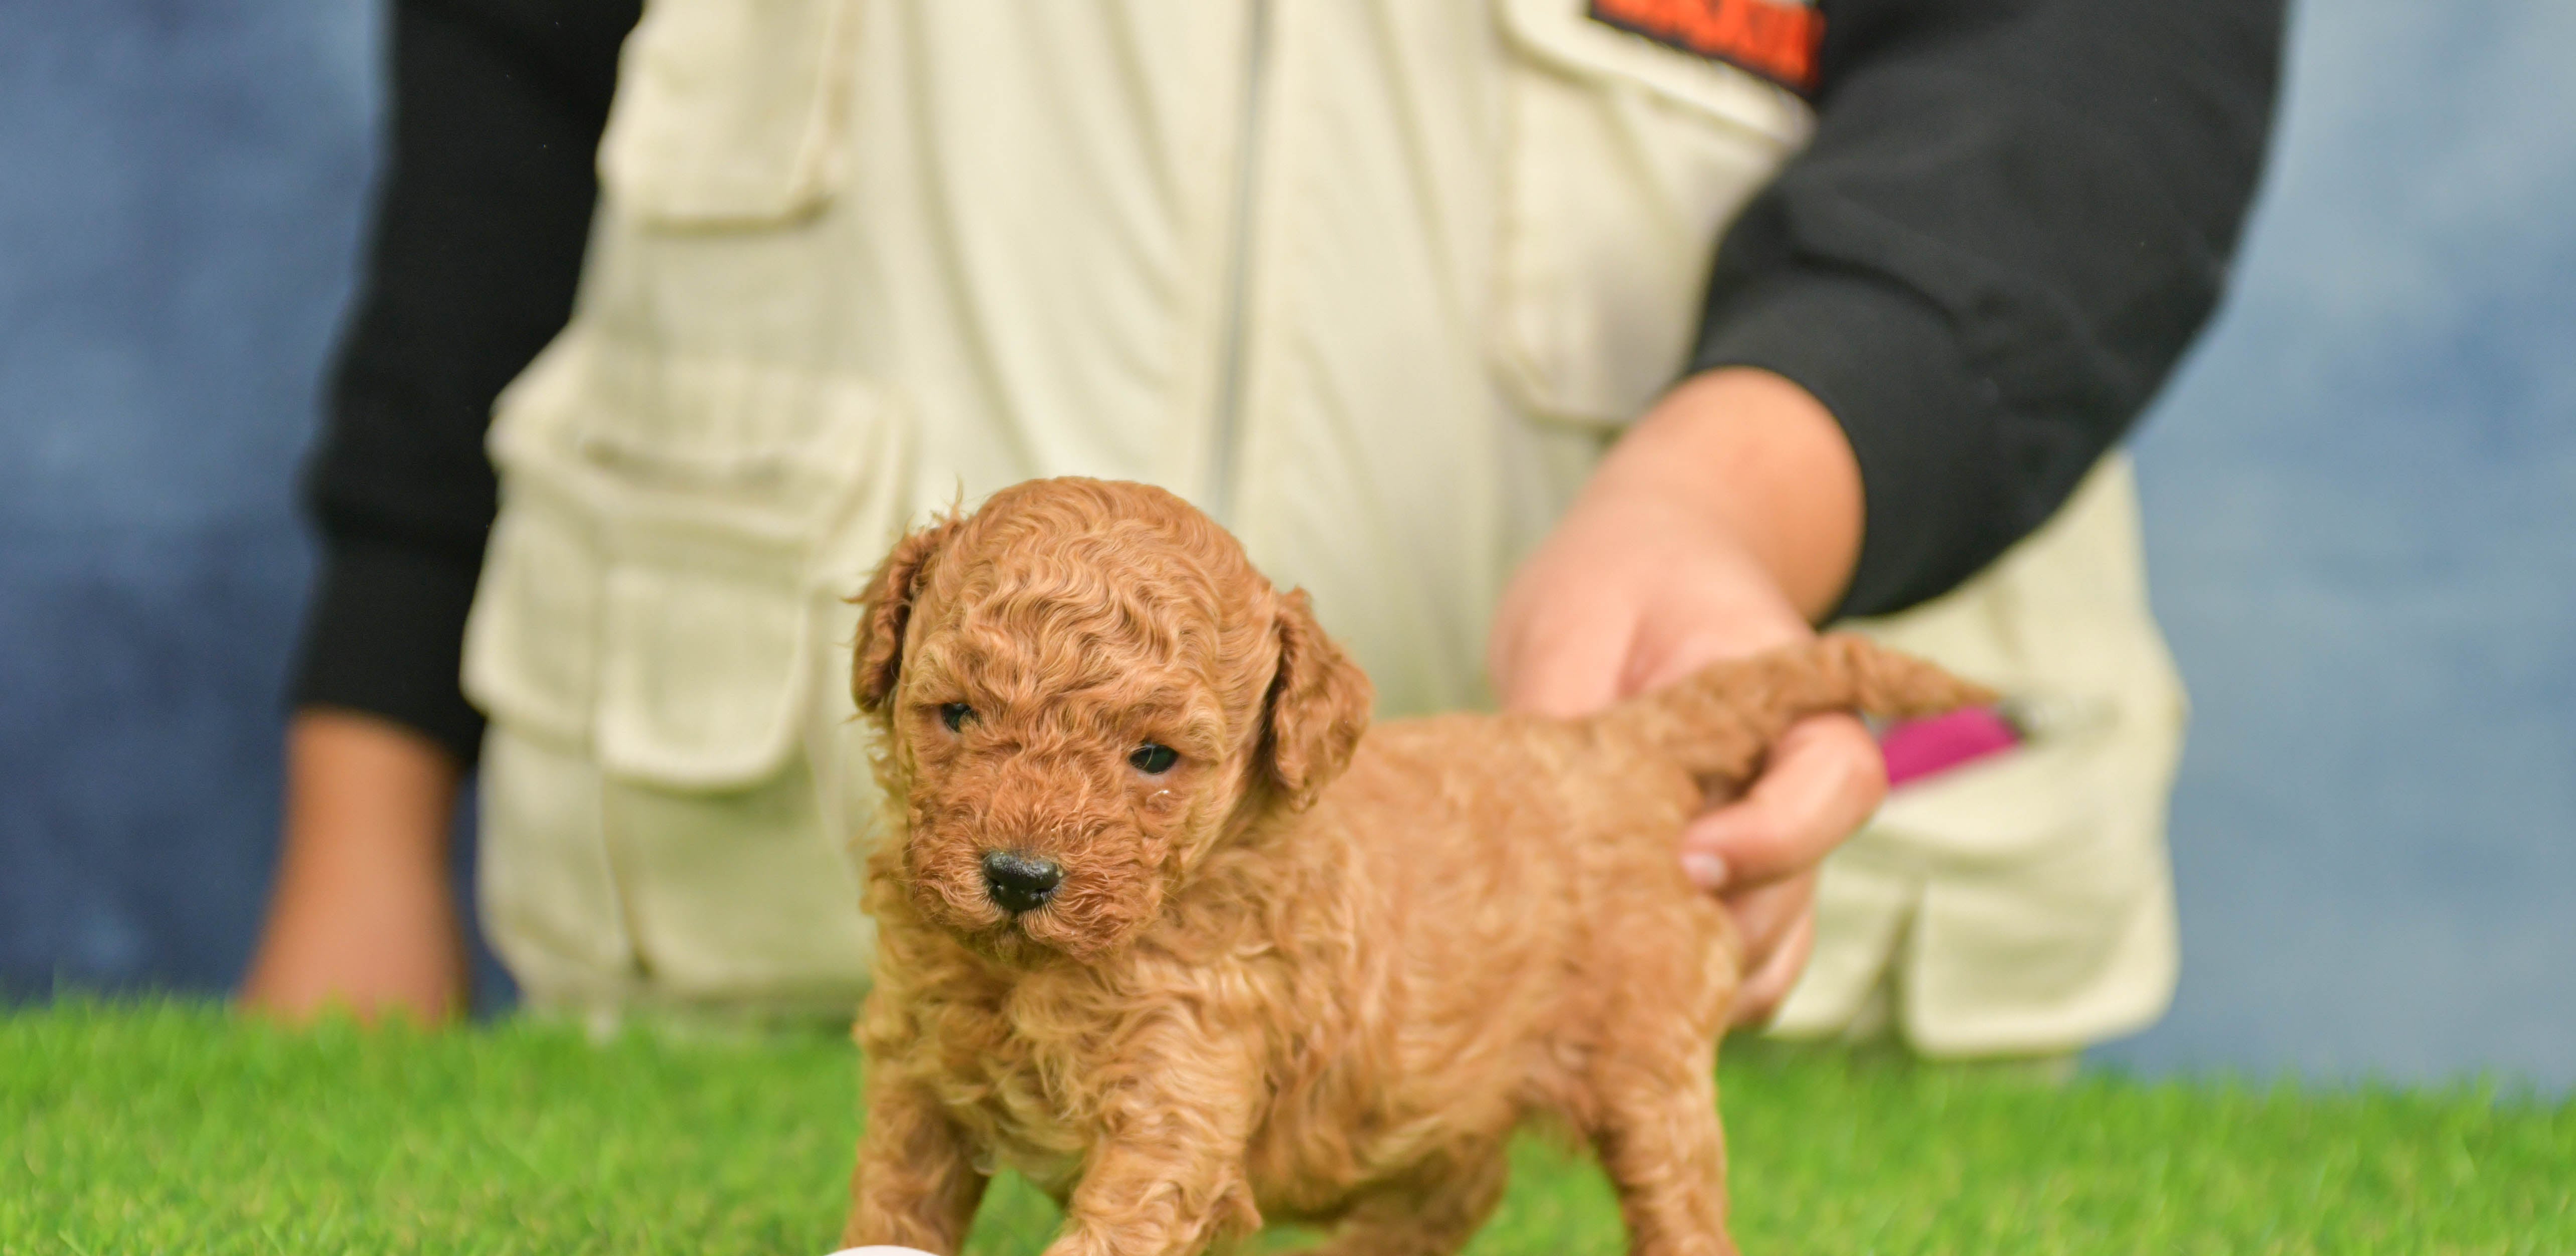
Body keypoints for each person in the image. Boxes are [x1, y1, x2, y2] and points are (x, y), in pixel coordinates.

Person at [243, 0, 2284, 1056]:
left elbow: (2094, 75)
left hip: (1709, 1015)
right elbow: (501, 138)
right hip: (788, 994)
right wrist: (361, 826)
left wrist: (1745, 479)